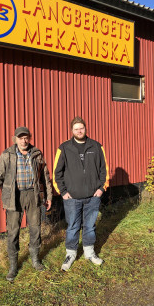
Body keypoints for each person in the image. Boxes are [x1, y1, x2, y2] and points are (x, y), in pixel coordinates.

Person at [0, 127, 52, 281]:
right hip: (13, 197)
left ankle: (35, 260)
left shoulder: (36, 153)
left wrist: (49, 196)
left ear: (29, 138)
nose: (24, 141)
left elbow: (45, 176)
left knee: (36, 228)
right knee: (13, 231)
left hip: (33, 195)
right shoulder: (7, 155)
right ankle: (13, 266)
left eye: (26, 138)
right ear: (15, 139)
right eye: (20, 138)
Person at [53, 116, 109, 271]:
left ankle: (89, 253)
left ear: (86, 128)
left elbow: (104, 169)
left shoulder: (97, 146)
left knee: (90, 226)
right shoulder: (64, 148)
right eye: (76, 128)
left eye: (81, 128)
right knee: (72, 226)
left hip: (93, 197)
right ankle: (70, 254)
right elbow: (56, 173)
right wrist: (63, 192)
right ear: (72, 131)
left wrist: (101, 188)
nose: (79, 131)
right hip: (71, 198)